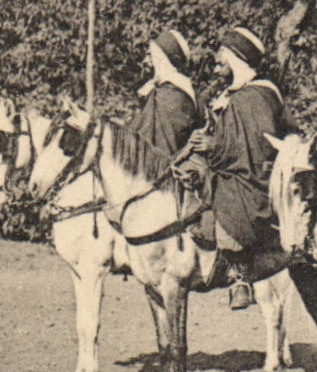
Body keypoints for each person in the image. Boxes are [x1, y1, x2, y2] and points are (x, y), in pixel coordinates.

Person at [180, 26, 289, 311]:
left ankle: (240, 274)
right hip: (229, 165)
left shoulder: (255, 95)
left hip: (252, 174)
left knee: (228, 196)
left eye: (222, 54)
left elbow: (257, 146)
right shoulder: (232, 94)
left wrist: (214, 145)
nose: (217, 61)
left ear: (235, 55)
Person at [124, 28, 199, 159]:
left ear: (161, 58)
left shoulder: (171, 95)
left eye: (150, 56)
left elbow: (148, 137)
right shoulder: (167, 91)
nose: (146, 61)